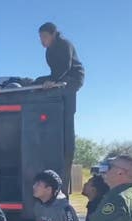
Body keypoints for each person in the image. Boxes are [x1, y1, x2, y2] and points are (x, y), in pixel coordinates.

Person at [36, 22, 85, 194]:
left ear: (53, 34)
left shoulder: (64, 44)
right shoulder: (48, 50)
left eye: (44, 37)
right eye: (40, 38)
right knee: (37, 81)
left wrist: (54, 81)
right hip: (58, 77)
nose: (42, 41)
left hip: (71, 79)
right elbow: (54, 70)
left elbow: (65, 67)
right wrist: (47, 80)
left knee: (66, 109)